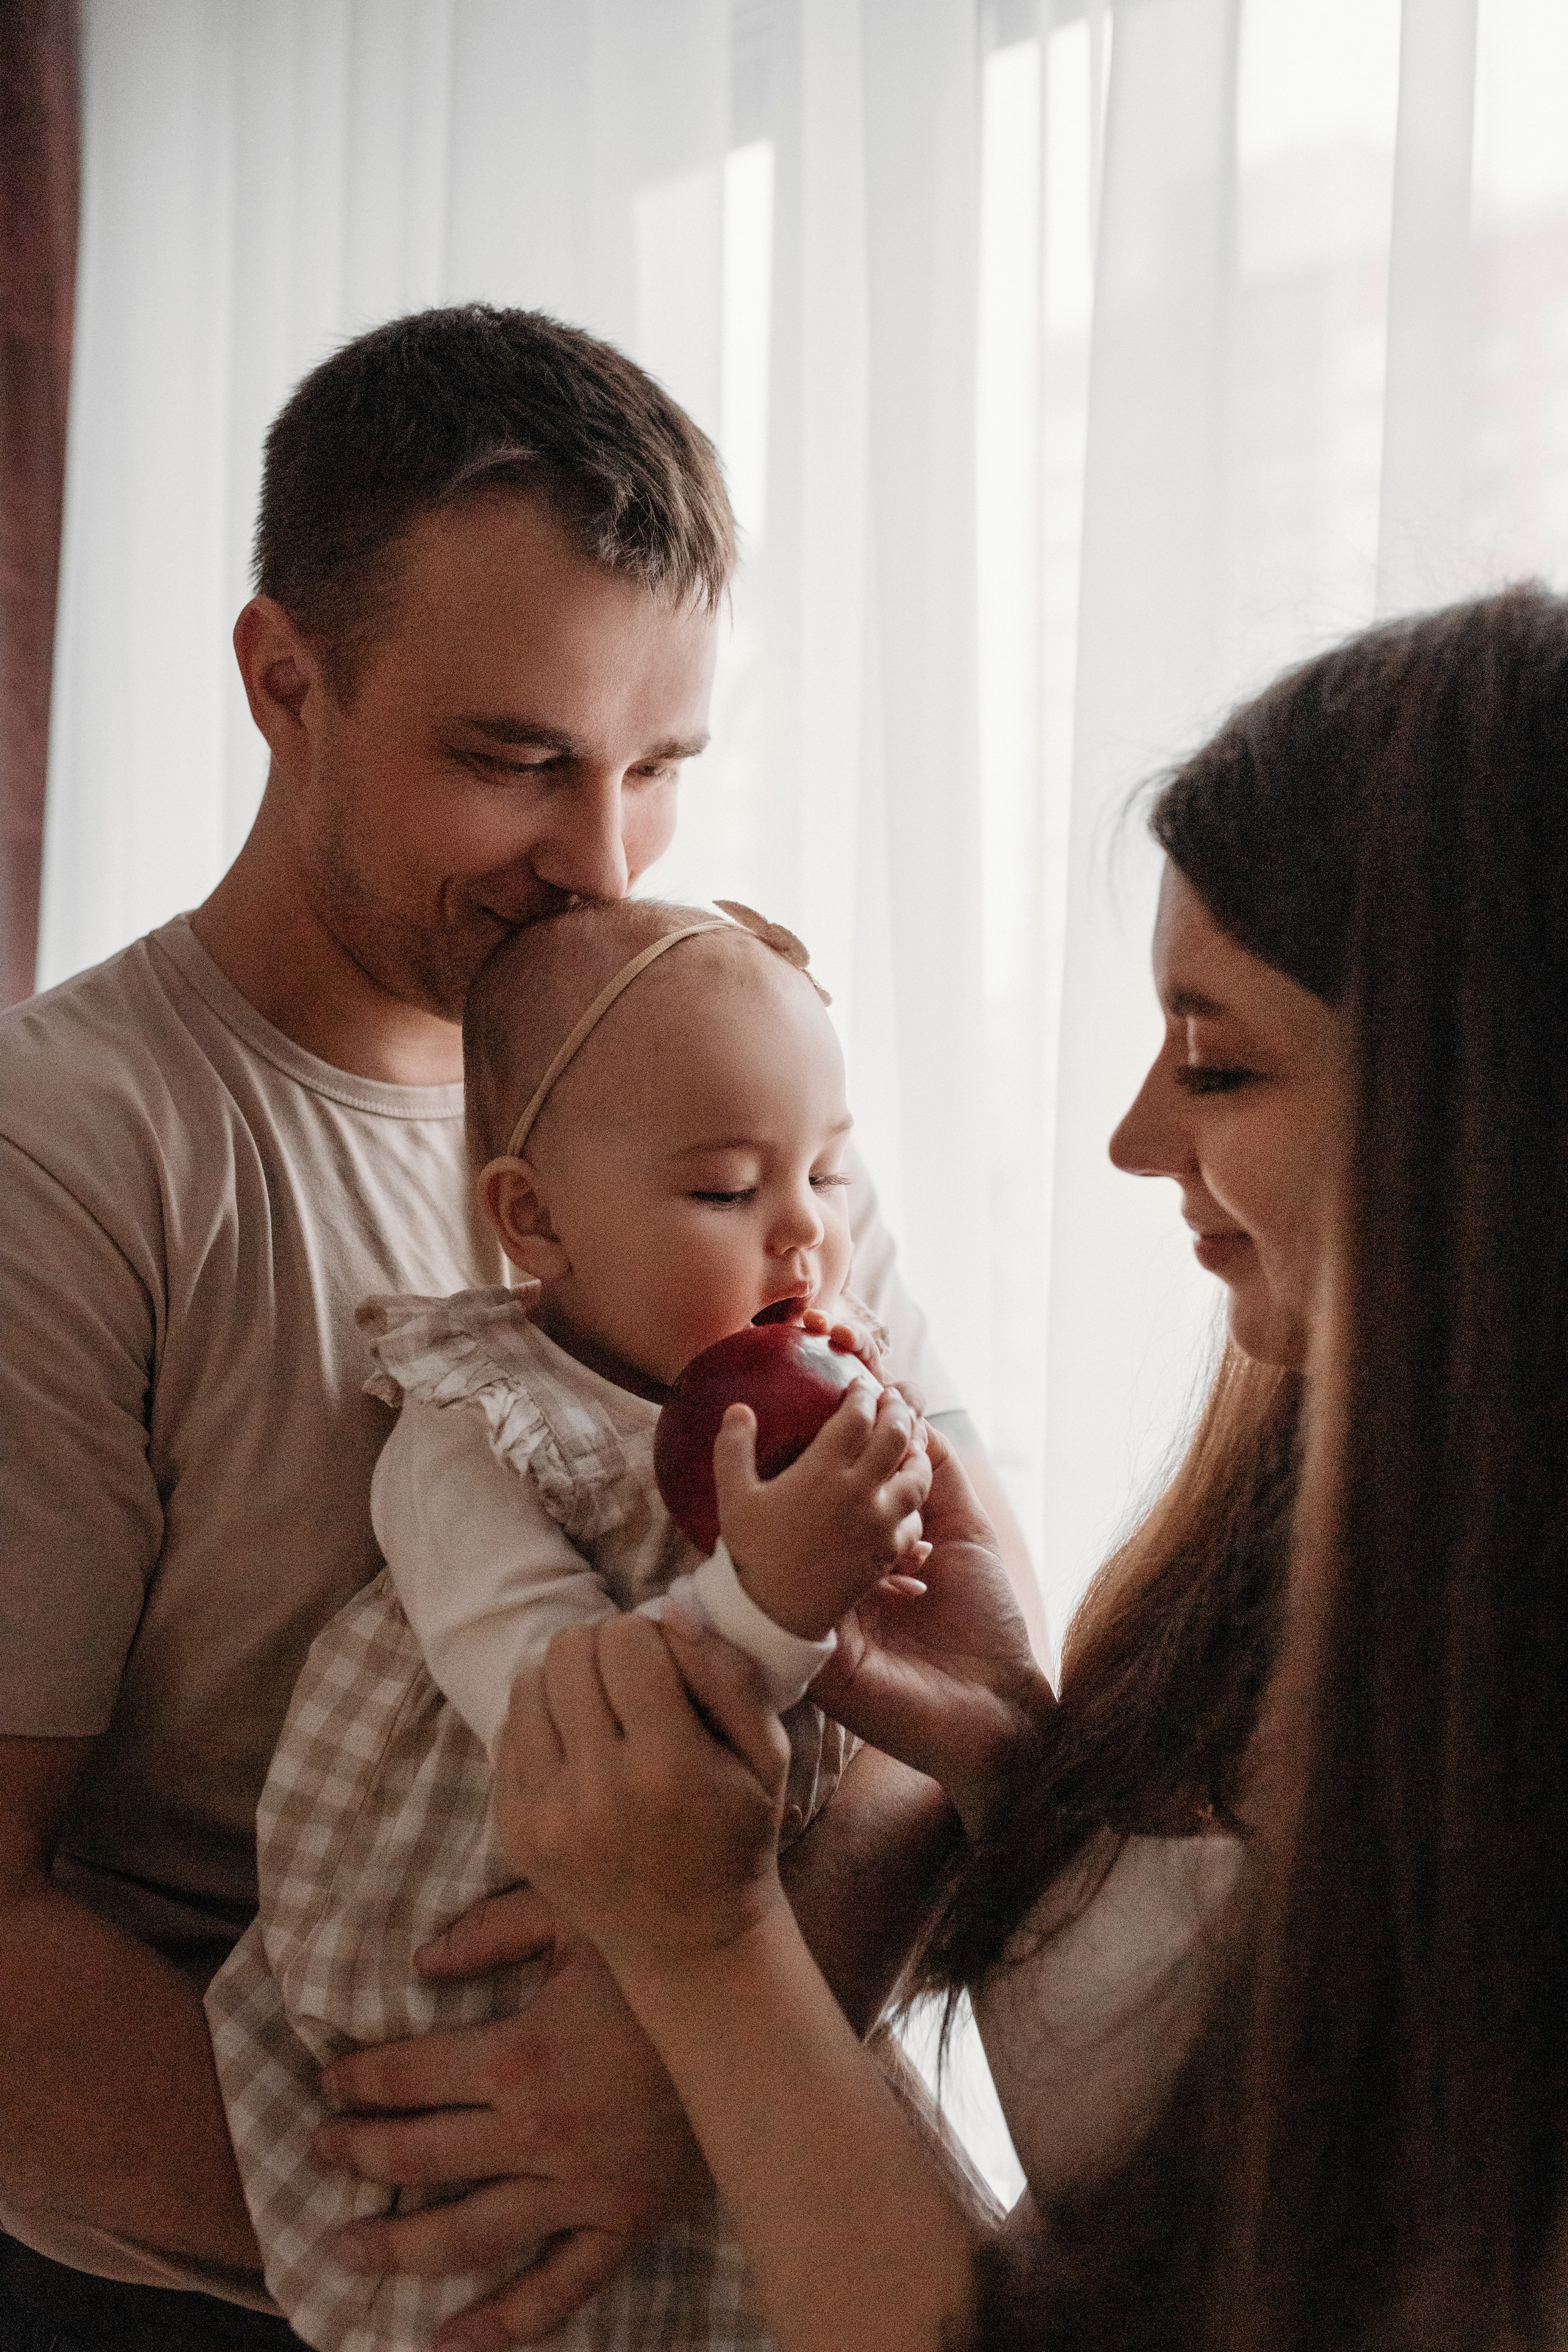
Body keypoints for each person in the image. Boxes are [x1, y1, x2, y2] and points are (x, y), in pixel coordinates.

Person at [0, 304, 1035, 2352]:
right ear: (284, 680)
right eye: (514, 761)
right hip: (244, 2269)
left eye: (658, 767)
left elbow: (962, 1681)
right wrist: (494, 2219)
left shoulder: (716, 1078)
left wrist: (703, 2063)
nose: (605, 859)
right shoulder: (79, 1147)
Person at [488, 585, 1568, 2352]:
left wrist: (704, 1958)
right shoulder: (1292, 1545)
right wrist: (1005, 1745)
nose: (1138, 1137)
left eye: (1219, 1062)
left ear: (1485, 1113)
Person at [207, 894, 948, 2352]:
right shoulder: (476, 1428)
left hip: (753, 1927)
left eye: (827, 1172)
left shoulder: (831, 1387)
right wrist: (769, 1599)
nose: (804, 1232)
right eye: (729, 1193)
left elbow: (943, 1681)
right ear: (532, 1217)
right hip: (511, 1905)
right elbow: (556, 1714)